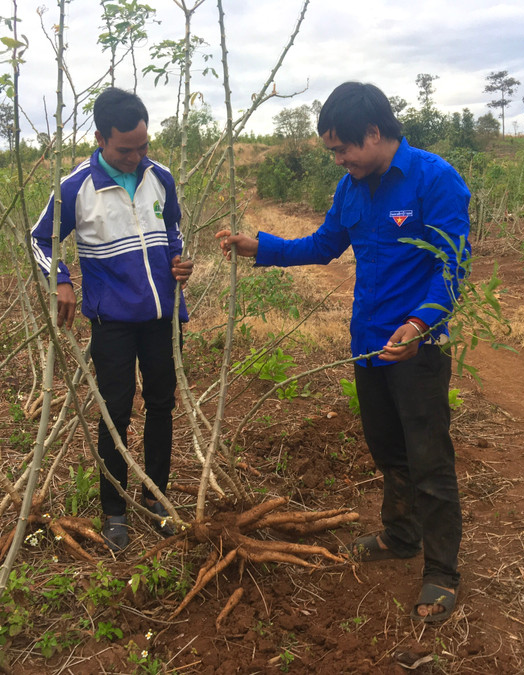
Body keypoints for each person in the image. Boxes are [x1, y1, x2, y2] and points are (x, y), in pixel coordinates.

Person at [216, 81, 470, 623]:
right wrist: (258, 246)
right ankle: (400, 536)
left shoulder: (434, 179)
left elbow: (451, 267)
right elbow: (323, 245)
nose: (339, 159)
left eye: (341, 148)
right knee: (386, 448)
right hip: (367, 346)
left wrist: (419, 324)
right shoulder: (350, 188)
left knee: (429, 460)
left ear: (374, 133)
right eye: (332, 150)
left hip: (417, 348)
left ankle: (442, 572)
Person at [31, 86, 193, 551]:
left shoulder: (159, 177)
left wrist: (180, 261)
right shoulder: (74, 187)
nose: (136, 156)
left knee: (162, 404)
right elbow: (39, 240)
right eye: (126, 149)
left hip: (162, 316)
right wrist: (60, 278)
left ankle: (156, 497)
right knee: (115, 411)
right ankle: (115, 510)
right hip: (113, 322)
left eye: (143, 146)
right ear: (100, 138)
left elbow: (172, 228)